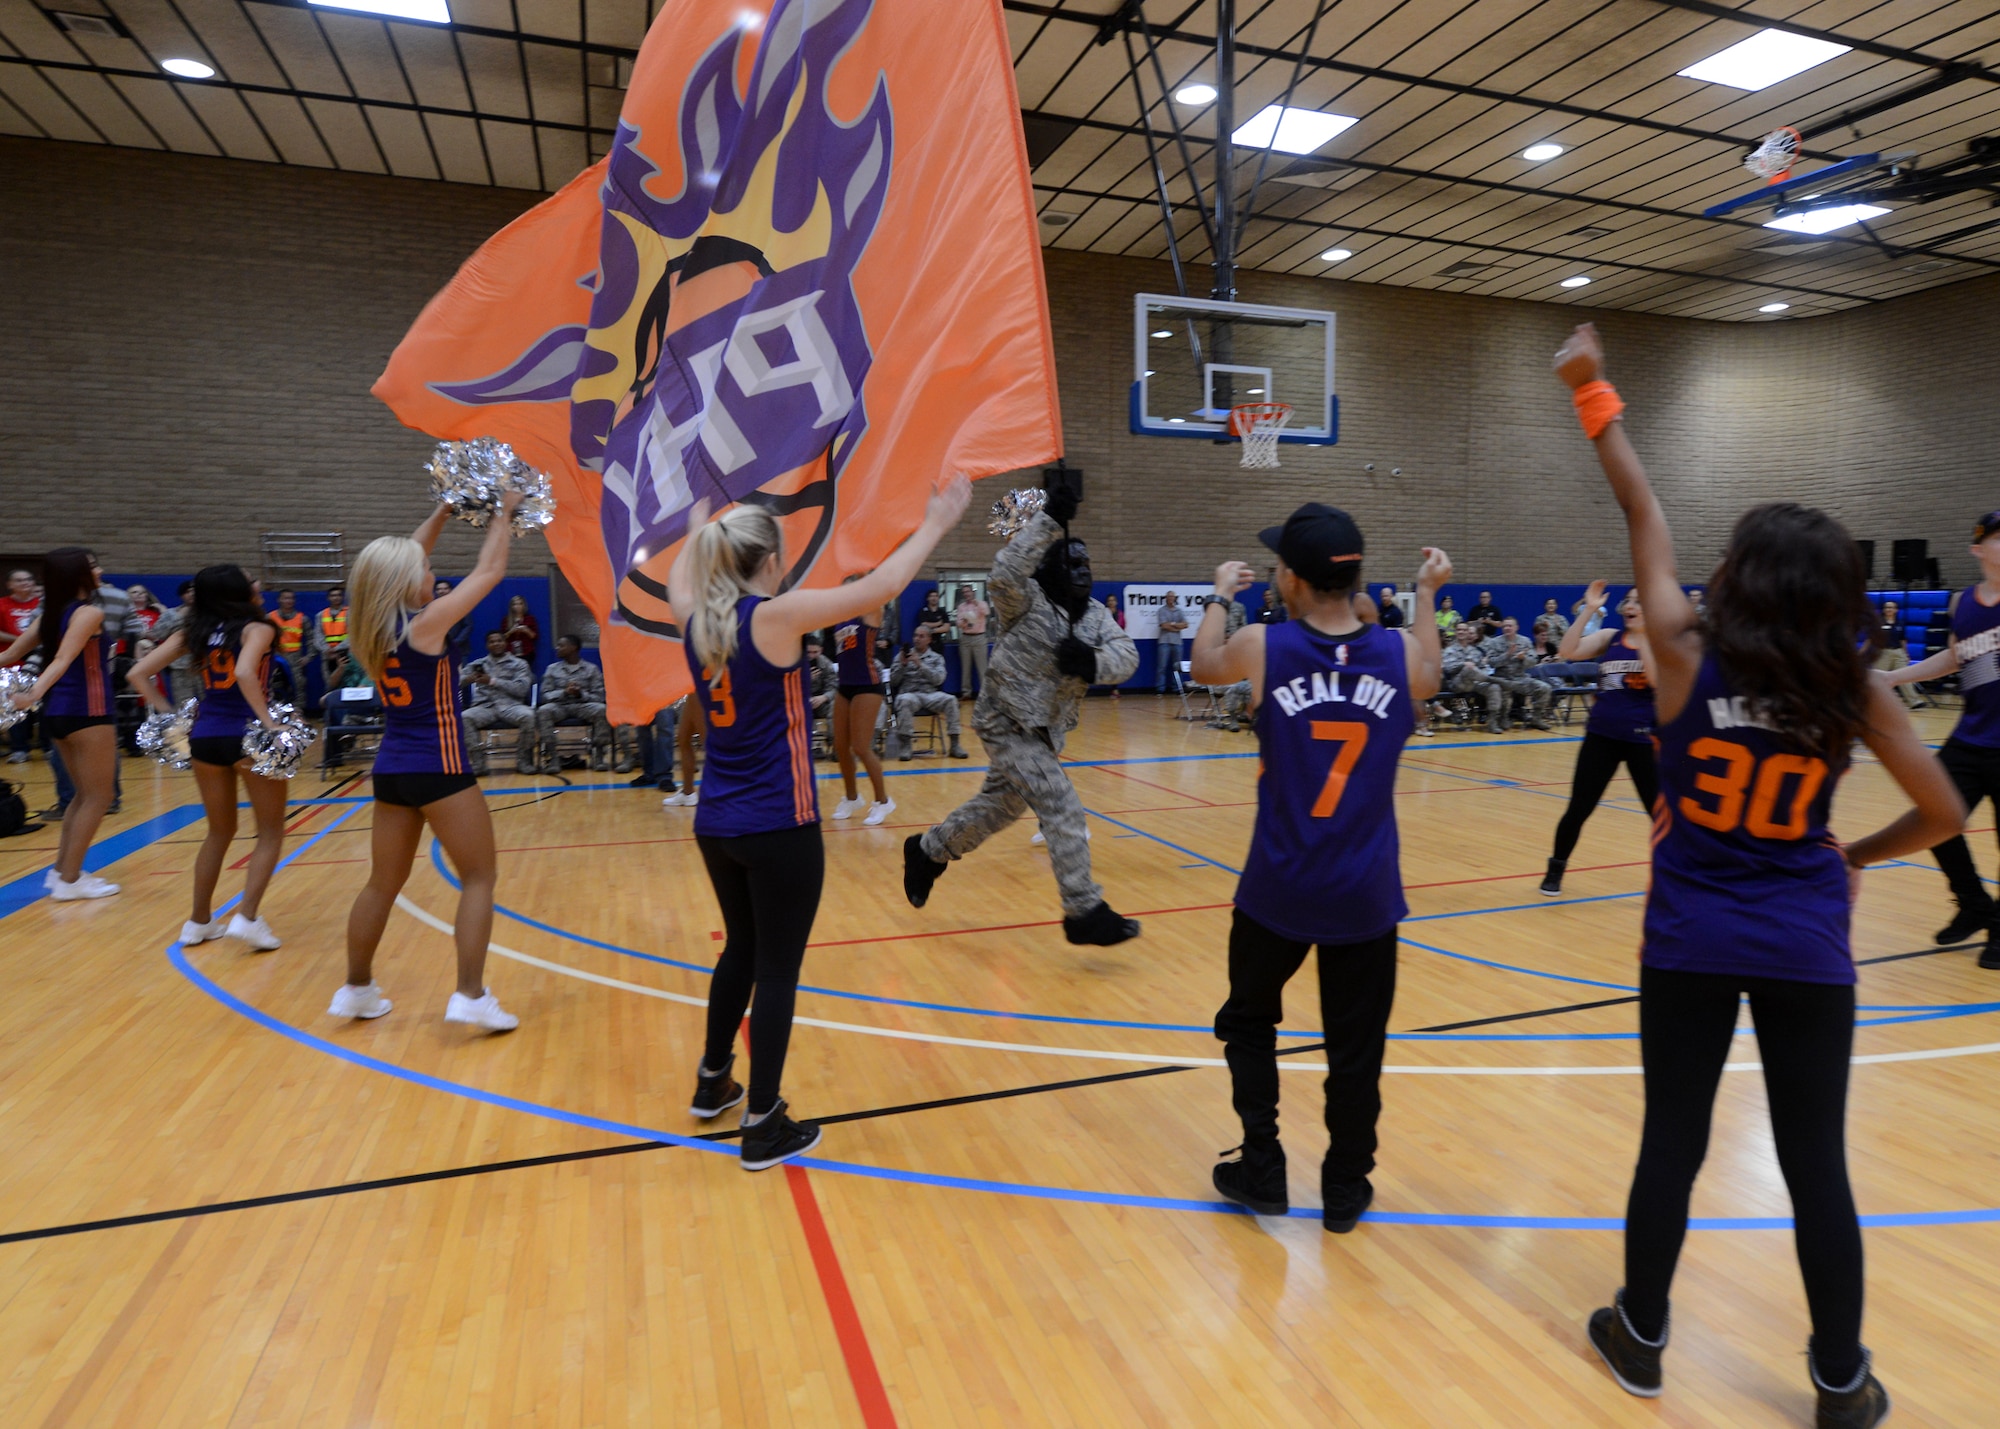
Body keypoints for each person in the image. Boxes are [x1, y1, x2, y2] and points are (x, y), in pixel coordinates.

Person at [1555, 323, 1961, 1427]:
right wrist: (1851, 854)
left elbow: (1642, 512)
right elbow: (1942, 810)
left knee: (1671, 1146)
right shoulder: (1851, 689)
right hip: (1803, 943)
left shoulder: (1682, 650)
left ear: (1741, 575)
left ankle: (1640, 1336)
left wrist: (1593, 390)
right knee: (1813, 1167)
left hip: (1686, 938)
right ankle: (1838, 1382)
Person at [669, 475, 970, 1169]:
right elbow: (882, 585)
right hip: (778, 823)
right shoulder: (774, 617)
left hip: (717, 823)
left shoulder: (698, 619)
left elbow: (689, 570)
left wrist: (693, 516)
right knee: (776, 968)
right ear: (770, 561)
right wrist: (936, 521)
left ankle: (714, 1080)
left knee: (739, 950)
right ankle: (764, 1121)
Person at [1191, 505, 1448, 1233]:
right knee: (1356, 1048)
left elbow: (1201, 664)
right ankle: (1344, 1187)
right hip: (1365, 893)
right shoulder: (1398, 652)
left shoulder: (1262, 644)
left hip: (1277, 884)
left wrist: (1217, 594)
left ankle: (1263, 1166)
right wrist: (1428, 594)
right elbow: (1430, 673)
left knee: (1248, 1023)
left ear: (1293, 582)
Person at [903, 477, 1142, 944]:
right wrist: (1050, 518)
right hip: (1004, 723)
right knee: (1061, 804)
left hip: (1045, 735)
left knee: (998, 810)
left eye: (1087, 564)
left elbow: (1127, 657)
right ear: (1049, 568)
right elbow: (1005, 573)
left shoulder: (1095, 615)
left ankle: (927, 851)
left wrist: (1092, 661)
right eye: (1071, 562)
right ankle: (1082, 910)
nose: (1081, 571)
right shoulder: (1023, 601)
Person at [328, 496, 523, 1032]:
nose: (431, 574)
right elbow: (491, 570)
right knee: (480, 877)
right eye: (426, 572)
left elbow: (402, 559)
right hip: (439, 768)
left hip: (391, 771)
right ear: (403, 584)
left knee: (380, 885)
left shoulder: (369, 629)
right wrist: (504, 512)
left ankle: (357, 989)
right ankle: (470, 995)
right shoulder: (425, 626)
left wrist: (441, 513)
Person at [128, 564, 290, 950]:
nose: (257, 585)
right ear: (238, 591)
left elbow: (137, 673)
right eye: (250, 581)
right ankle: (247, 917)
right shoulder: (259, 627)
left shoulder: (194, 632)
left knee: (218, 832)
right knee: (269, 832)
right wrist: (269, 723)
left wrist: (170, 717)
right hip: (249, 737)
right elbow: (248, 673)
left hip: (205, 736)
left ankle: (198, 922)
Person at [1881, 510, 2000, 965]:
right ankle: (1973, 904)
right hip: (1970, 739)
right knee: (1934, 819)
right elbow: (1954, 659)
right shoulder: (1962, 603)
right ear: (1978, 549)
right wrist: (1892, 679)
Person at [2, 548, 120, 900]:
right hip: (89, 710)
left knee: (82, 796)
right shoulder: (88, 612)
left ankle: (61, 872)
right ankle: (70, 881)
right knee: (100, 795)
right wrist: (33, 693)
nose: (98, 570)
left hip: (58, 713)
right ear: (79, 575)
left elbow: (8, 656)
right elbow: (63, 659)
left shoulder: (49, 614)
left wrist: (37, 696)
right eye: (93, 566)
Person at [1540, 580, 1657, 895]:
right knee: (1578, 808)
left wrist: (1647, 635)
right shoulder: (1610, 638)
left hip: (1644, 741)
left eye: (1639, 602)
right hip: (1601, 736)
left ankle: (1672, 878)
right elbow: (1567, 651)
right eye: (1629, 601)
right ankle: (1555, 870)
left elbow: (1660, 679)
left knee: (1659, 814)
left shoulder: (1662, 644)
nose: (1631, 607)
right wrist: (1589, 610)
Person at [828, 580, 895, 825]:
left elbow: (881, 588)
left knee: (860, 747)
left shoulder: (871, 612)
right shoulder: (840, 617)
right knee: (840, 746)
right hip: (844, 686)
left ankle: (883, 801)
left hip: (868, 685)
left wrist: (866, 573)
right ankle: (851, 797)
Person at [460, 630, 537, 776]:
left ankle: (523, 761)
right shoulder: (478, 664)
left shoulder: (519, 664)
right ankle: (478, 764)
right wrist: (468, 679)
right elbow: (454, 683)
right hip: (485, 707)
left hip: (511, 705)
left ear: (505, 643)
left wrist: (492, 681)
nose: (496, 644)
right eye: (492, 641)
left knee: (528, 715)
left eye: (499, 641)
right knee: (465, 717)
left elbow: (521, 689)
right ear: (487, 645)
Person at [889, 628, 969, 760]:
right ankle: (906, 746)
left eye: (921, 636)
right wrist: (903, 665)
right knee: (904, 700)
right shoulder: (901, 656)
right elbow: (893, 681)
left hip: (930, 694)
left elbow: (939, 679)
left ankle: (955, 745)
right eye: (915, 635)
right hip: (910, 693)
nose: (917, 639)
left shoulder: (937, 658)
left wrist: (920, 664)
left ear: (929, 640)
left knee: (951, 700)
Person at [535, 635, 611, 772]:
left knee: (602, 709)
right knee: (543, 711)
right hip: (560, 706)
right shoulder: (552, 669)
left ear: (573, 648)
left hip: (583, 705)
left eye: (561, 645)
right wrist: (564, 692)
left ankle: (598, 756)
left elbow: (600, 696)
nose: (557, 648)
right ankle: (552, 758)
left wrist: (580, 694)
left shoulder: (591, 669)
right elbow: (544, 695)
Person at [1483, 616, 1555, 730]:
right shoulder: (1494, 642)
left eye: (1510, 626)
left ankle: (1536, 718)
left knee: (1544, 688)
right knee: (1499, 691)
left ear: (1516, 627)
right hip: (1503, 679)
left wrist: (1523, 658)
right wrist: (1506, 655)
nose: (1507, 628)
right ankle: (1502, 718)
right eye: (1505, 626)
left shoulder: (1524, 641)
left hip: (1521, 678)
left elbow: (1533, 661)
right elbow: (1491, 663)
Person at [3, 569, 41, 764]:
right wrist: (23, 640)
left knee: (42, 705)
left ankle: (49, 747)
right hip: (12, 665)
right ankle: (19, 749)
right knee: (15, 706)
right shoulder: (2, 605)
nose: (25, 583)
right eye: (19, 580)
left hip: (40, 663)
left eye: (28, 579)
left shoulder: (42, 605)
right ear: (10, 584)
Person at [1440, 623, 1505, 733]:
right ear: (1456, 632)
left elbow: (1484, 667)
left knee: (1494, 687)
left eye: (1464, 630)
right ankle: (1491, 680)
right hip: (1458, 683)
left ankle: (1492, 722)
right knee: (1468, 669)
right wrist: (1463, 664)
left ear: (1467, 633)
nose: (1461, 632)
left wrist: (1478, 671)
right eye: (1459, 630)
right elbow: (1448, 668)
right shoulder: (1450, 650)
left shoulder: (1475, 651)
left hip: (1476, 683)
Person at [1870, 600, 1925, 711]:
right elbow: (1873, 638)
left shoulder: (1900, 623)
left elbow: (1903, 640)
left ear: (1896, 610)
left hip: (1898, 652)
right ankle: (1871, 701)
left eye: (1891, 607)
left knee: (1904, 676)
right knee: (1878, 678)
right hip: (1884, 652)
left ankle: (1914, 702)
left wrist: (1906, 653)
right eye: (1886, 607)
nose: (1888, 609)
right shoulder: (1879, 622)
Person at [954, 585, 990, 699]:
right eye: (964, 592)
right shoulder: (961, 607)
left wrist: (976, 605)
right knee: (965, 667)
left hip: (979, 637)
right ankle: (966, 693)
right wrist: (964, 621)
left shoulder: (982, 603)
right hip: (965, 638)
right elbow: (958, 624)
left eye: (968, 592)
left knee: (982, 667)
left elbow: (987, 612)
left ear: (972, 592)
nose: (966, 594)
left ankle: (985, 694)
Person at [1154, 590, 1188, 693]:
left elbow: (1185, 624)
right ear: (1166, 598)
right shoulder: (1161, 610)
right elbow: (1163, 625)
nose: (1170, 599)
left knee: (1177, 667)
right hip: (1164, 642)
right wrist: (1177, 627)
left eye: (1172, 597)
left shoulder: (1179, 611)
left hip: (1177, 642)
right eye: (1169, 597)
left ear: (1175, 598)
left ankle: (1177, 688)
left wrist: (1171, 625)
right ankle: (1160, 689)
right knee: (1162, 667)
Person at [436, 579, 473, 661]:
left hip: (459, 649)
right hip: (437, 650)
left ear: (450, 590)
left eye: (445, 588)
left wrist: (455, 643)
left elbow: (468, 626)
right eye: (439, 589)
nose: (442, 591)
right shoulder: (431, 608)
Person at [502, 595, 538, 664]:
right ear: (511, 607)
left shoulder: (530, 619)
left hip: (527, 652)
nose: (518, 606)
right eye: (515, 604)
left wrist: (526, 630)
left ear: (524, 606)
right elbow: (502, 638)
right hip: (510, 653)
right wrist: (511, 631)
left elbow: (534, 636)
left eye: (520, 604)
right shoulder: (506, 620)